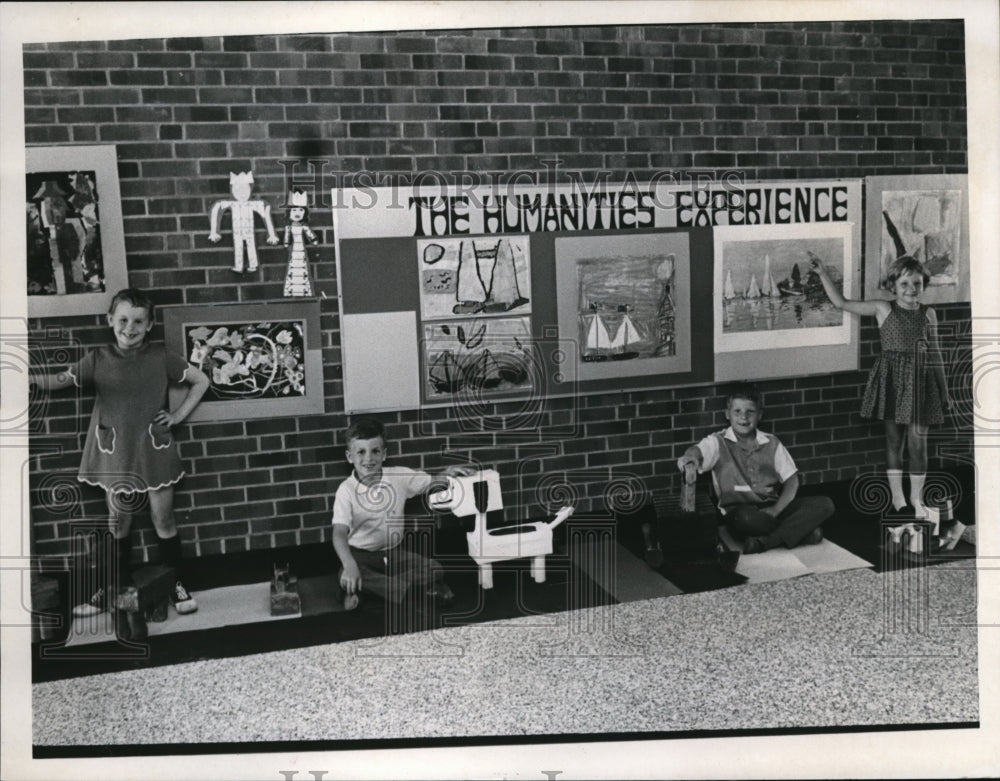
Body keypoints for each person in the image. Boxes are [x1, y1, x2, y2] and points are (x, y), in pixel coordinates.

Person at [33, 288, 210, 616]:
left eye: (138, 321)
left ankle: (175, 584)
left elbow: (200, 381)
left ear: (150, 324)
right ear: (110, 320)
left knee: (164, 518)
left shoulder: (161, 357)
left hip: (154, 450)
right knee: (118, 523)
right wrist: (24, 379)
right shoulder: (98, 359)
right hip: (115, 453)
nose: (130, 327)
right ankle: (111, 588)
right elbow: (59, 379)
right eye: (123, 319)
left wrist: (176, 416)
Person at [811, 253, 955, 538]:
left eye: (916, 284)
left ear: (923, 284)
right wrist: (822, 273)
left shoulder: (929, 314)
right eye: (904, 284)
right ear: (893, 285)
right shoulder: (882, 308)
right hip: (891, 380)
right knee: (894, 442)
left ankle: (916, 499)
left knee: (918, 445)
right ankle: (897, 499)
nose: (911, 290)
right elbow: (841, 303)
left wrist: (944, 391)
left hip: (921, 383)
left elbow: (936, 353)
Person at [332, 418, 471, 611]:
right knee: (344, 573)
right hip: (361, 556)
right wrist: (349, 565)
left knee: (435, 567)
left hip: (393, 554)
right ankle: (415, 592)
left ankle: (371, 590)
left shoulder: (398, 477)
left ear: (384, 454)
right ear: (349, 457)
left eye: (375, 451)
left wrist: (447, 474)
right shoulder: (346, 490)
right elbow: (339, 532)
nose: (368, 459)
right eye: (361, 452)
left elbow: (430, 482)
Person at [677, 384, 834, 554]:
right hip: (739, 513)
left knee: (825, 504)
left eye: (750, 412)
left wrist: (775, 510)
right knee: (745, 518)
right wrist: (690, 458)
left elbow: (792, 481)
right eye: (737, 411)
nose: (743, 417)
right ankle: (800, 532)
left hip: (772, 508)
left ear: (760, 414)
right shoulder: (717, 442)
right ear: (727, 414)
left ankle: (766, 542)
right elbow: (697, 451)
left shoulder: (772, 442)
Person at [282, 189, 319, 296]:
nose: (297, 213)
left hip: (301, 249)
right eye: (294, 210)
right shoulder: (288, 227)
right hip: (294, 251)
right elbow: (286, 239)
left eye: (300, 210)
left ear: (305, 212)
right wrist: (286, 241)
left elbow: (311, 236)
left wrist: (314, 239)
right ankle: (292, 290)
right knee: (293, 267)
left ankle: (304, 290)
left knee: (303, 268)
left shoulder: (304, 226)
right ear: (289, 212)